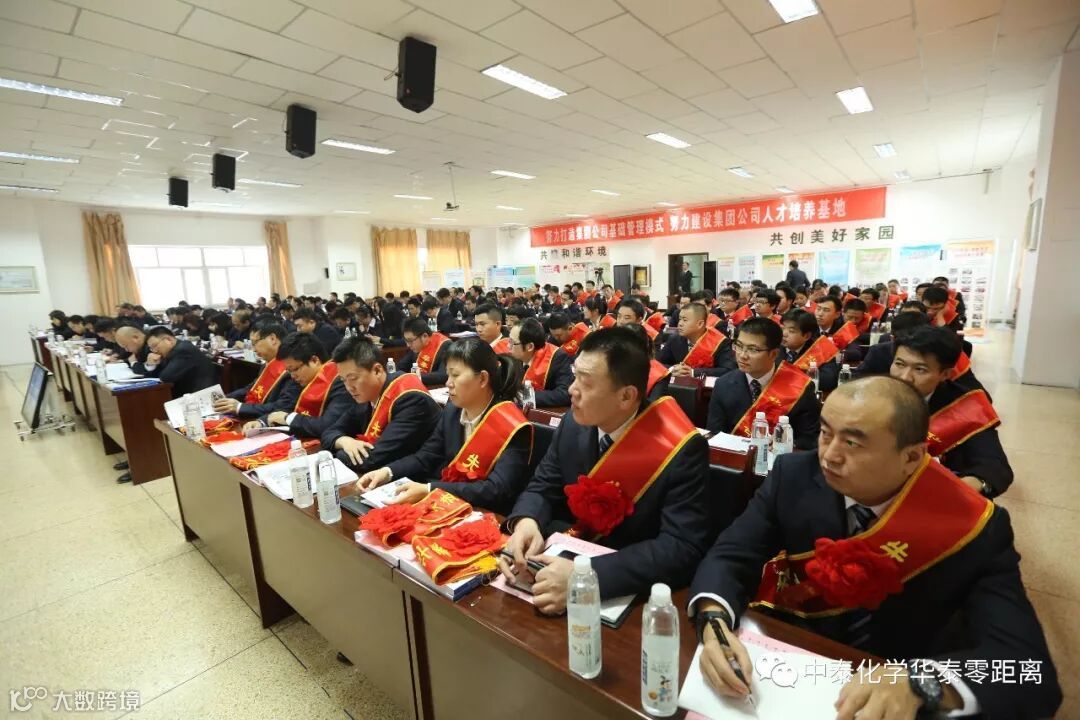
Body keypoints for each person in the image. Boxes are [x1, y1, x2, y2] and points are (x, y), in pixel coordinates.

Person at [688, 377, 1060, 720]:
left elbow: (1029, 671)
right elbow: (732, 555)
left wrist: (923, 683)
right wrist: (713, 621)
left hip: (894, 691)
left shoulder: (972, 526)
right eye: (825, 433)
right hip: (794, 667)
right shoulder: (793, 475)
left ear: (912, 457)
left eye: (853, 443)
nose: (829, 455)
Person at [498, 327, 717, 612]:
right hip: (563, 558)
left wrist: (588, 578)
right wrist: (527, 522)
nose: (571, 390)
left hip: (627, 588)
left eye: (586, 382)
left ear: (626, 396)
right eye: (574, 375)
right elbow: (542, 485)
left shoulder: (681, 448)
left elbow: (681, 546)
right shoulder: (572, 423)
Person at [357, 339, 533, 515]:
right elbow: (426, 456)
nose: (448, 383)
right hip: (450, 503)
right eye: (448, 375)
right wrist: (386, 472)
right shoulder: (452, 411)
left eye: (455, 375)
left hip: (487, 514)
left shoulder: (511, 426)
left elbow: (497, 490)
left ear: (482, 379)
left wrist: (429, 489)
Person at [890, 327, 1012, 496]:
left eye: (920, 369)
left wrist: (956, 490)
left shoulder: (964, 407)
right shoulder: (875, 390)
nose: (904, 377)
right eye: (899, 364)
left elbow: (995, 467)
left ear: (945, 374)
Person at [322, 336, 441, 473]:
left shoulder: (411, 400)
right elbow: (329, 433)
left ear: (377, 371)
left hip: (419, 477)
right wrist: (344, 441)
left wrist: (341, 451)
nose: (349, 387)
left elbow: (371, 460)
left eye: (353, 378)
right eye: (343, 380)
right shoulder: (365, 396)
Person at [706, 317, 820, 448]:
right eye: (739, 346)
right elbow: (715, 434)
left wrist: (787, 444)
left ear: (774, 354)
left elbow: (810, 438)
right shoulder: (723, 384)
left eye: (753, 349)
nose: (742, 355)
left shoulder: (799, 386)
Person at [241, 332, 352, 439]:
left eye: (294, 369)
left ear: (314, 360)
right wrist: (262, 422)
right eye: (289, 371)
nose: (293, 376)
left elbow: (327, 425)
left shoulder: (340, 381)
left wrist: (287, 418)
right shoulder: (301, 379)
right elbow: (285, 407)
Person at [214, 324, 290, 418]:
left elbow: (282, 407)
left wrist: (240, 407)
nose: (253, 349)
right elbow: (251, 388)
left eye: (255, 343)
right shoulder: (268, 363)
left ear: (272, 339)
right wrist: (225, 398)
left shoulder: (291, 368)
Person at [657, 302, 736, 378]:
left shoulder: (719, 342)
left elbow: (728, 370)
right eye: (680, 319)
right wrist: (672, 369)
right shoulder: (674, 339)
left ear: (700, 324)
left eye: (685, 320)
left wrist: (693, 372)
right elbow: (657, 364)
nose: (680, 324)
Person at [510, 318, 573, 408]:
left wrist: (526, 396)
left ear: (529, 347)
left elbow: (564, 394)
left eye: (512, 342)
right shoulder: (514, 357)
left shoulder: (557, 357)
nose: (508, 346)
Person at [143, 326, 220, 399]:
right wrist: (151, 364)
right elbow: (157, 375)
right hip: (188, 395)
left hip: (201, 397)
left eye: (155, 346)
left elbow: (166, 377)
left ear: (168, 340)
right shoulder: (172, 351)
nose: (154, 351)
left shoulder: (183, 350)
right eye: (151, 348)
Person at [779, 308, 839, 392]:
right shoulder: (773, 347)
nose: (784, 334)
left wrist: (795, 375)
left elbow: (829, 380)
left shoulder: (820, 350)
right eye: (782, 328)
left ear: (806, 336)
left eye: (791, 331)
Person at [399, 317, 451, 387]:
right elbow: (401, 365)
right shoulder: (416, 346)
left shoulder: (446, 345)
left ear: (425, 336)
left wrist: (415, 377)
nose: (408, 345)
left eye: (410, 340)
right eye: (406, 340)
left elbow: (443, 375)